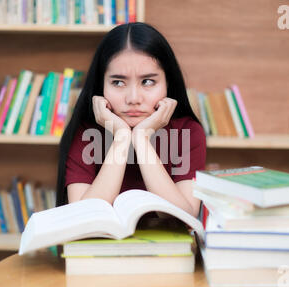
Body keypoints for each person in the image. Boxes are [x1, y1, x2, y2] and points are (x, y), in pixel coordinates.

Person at [55, 22, 206, 218]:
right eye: (118, 82)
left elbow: (182, 217)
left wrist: (142, 138)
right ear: (101, 86)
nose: (133, 98)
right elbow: (84, 218)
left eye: (148, 82)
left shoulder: (188, 131)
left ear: (168, 83)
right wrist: (122, 137)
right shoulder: (86, 133)